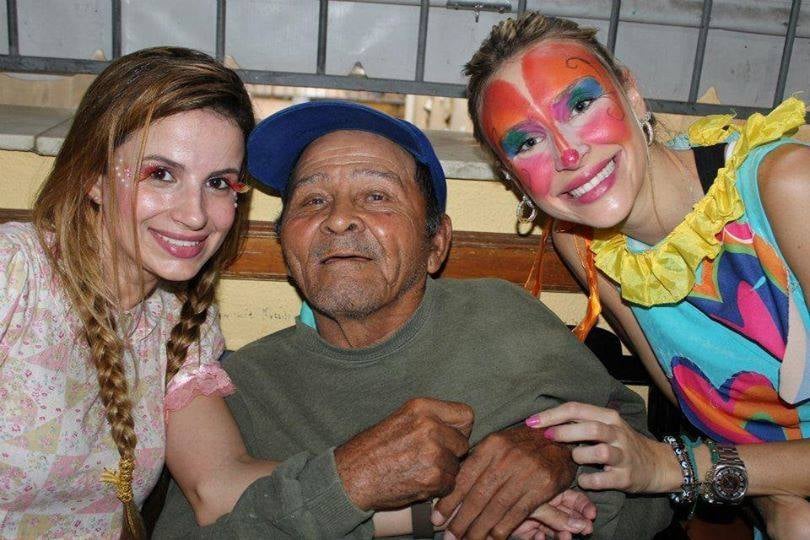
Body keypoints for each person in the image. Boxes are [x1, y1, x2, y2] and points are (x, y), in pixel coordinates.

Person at [153, 100, 672, 539]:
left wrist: (564, 461)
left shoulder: (503, 317)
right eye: (313, 200)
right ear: (286, 244)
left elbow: (647, 469)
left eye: (376, 196)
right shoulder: (240, 388)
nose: (339, 218)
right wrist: (365, 482)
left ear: (436, 243)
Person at [464, 11, 810, 539]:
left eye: (581, 105)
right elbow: (715, 419)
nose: (569, 154)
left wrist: (677, 468)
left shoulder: (787, 186)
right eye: (526, 142)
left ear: (632, 94)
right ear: (512, 177)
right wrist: (772, 501)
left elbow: (693, 462)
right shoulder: (586, 247)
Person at [0, 47, 255, 538]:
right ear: (93, 178)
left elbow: (218, 485)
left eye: (219, 183)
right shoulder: (14, 275)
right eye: (161, 174)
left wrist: (404, 495)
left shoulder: (182, 321)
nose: (195, 214)